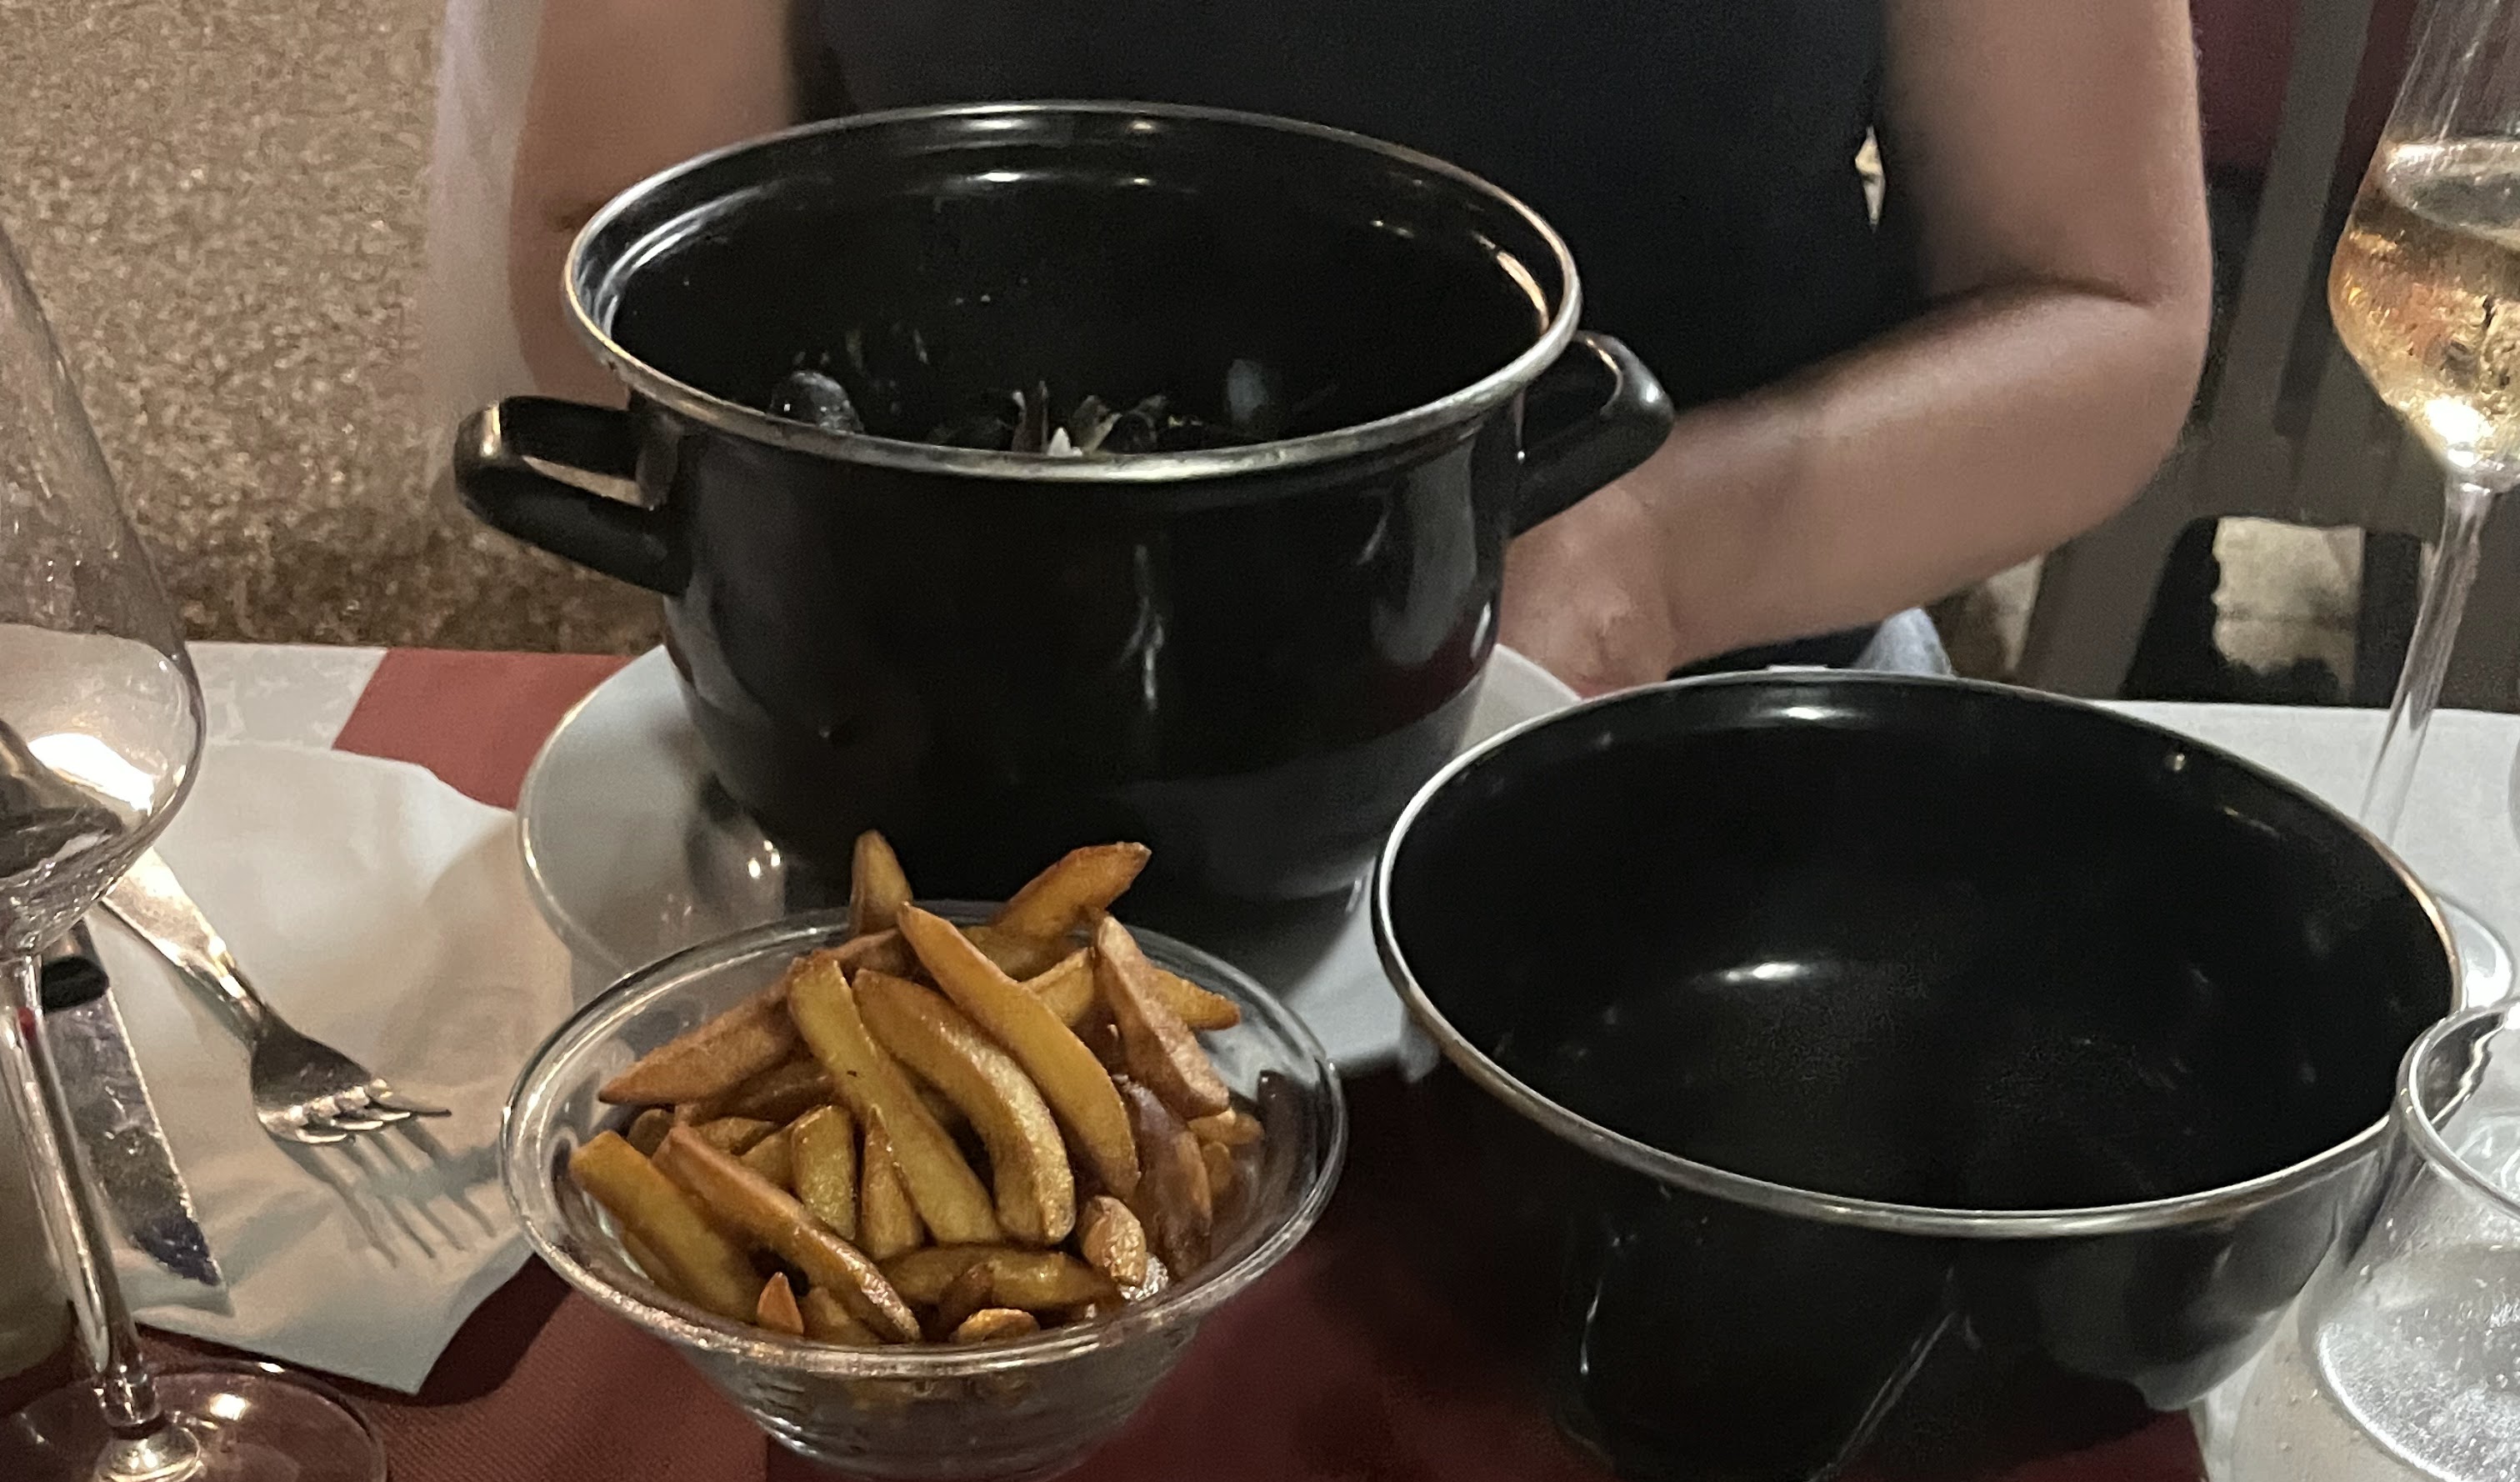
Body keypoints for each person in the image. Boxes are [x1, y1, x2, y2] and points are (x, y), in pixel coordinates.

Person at [471, 0, 2212, 693]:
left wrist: (1656, 553)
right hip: (948, 709)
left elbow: (2102, 302)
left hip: (1695, 712)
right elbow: (598, 230)